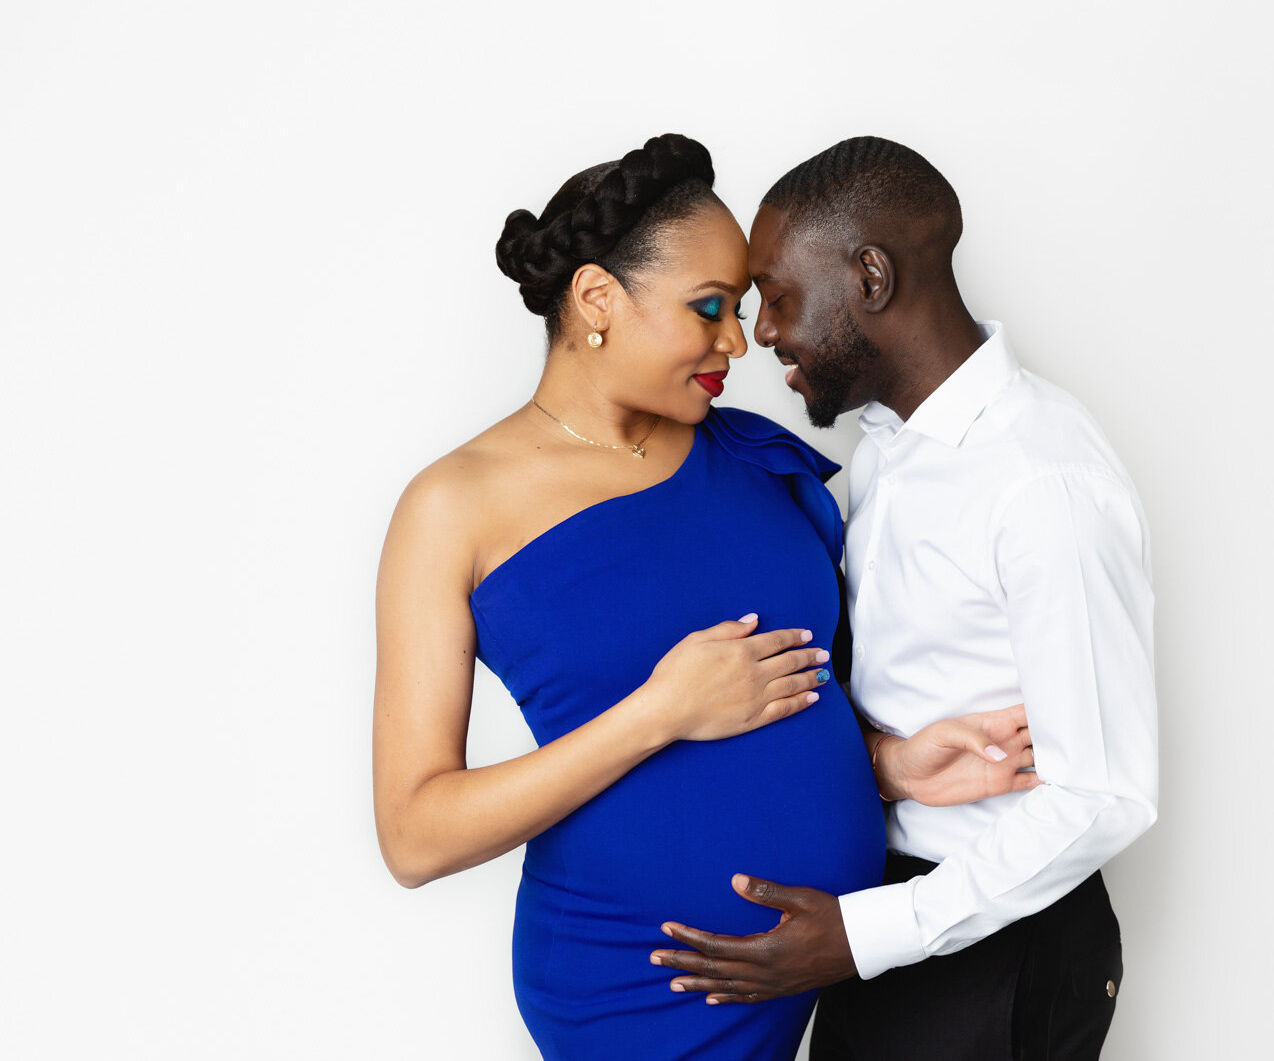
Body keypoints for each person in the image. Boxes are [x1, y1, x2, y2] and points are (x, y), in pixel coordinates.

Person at [371, 134, 1041, 1061]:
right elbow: (415, 832)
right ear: (598, 299)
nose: (742, 340)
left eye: (746, 307)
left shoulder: (752, 458)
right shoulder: (452, 507)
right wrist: (657, 711)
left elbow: (798, 692)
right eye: (710, 308)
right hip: (637, 983)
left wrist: (881, 765)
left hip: (827, 957)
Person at [651, 137, 1159, 1061]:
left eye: (779, 294)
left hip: (996, 946)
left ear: (871, 276)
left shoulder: (1041, 483)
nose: (760, 332)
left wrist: (863, 933)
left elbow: (1104, 793)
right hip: (884, 926)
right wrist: (880, 766)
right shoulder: (884, 446)